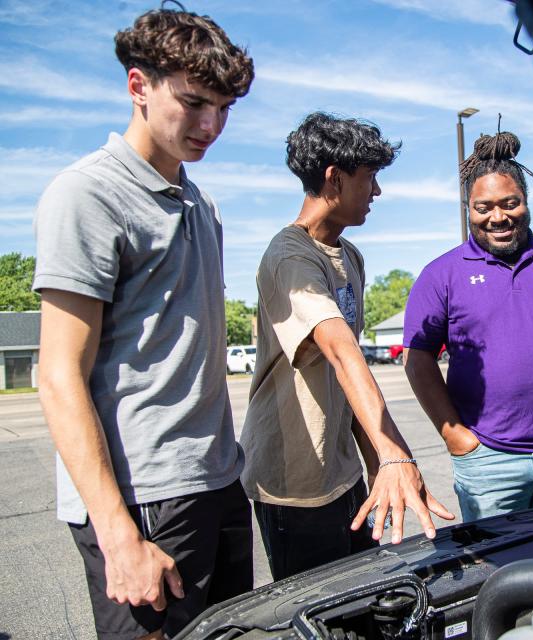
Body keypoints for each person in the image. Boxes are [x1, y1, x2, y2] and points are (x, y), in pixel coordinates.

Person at [32, 8, 254, 639]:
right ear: (138, 86)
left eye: (224, 109)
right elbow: (57, 376)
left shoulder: (198, 200)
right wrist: (117, 532)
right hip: (144, 497)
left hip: (215, 478)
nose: (210, 125)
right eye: (193, 103)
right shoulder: (87, 195)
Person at [240, 113, 454, 581]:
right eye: (370, 178)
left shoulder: (350, 256)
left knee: (366, 599)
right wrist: (396, 452)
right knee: (320, 613)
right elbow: (340, 349)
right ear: (333, 179)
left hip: (343, 472)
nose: (376, 192)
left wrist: (377, 461)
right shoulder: (289, 256)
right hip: (294, 481)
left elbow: (347, 372)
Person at [404, 131, 533, 522]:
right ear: (468, 208)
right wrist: (456, 437)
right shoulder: (441, 274)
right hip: (488, 464)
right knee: (502, 577)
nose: (497, 217)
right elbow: (418, 359)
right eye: (483, 207)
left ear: (526, 203)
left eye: (510, 203)